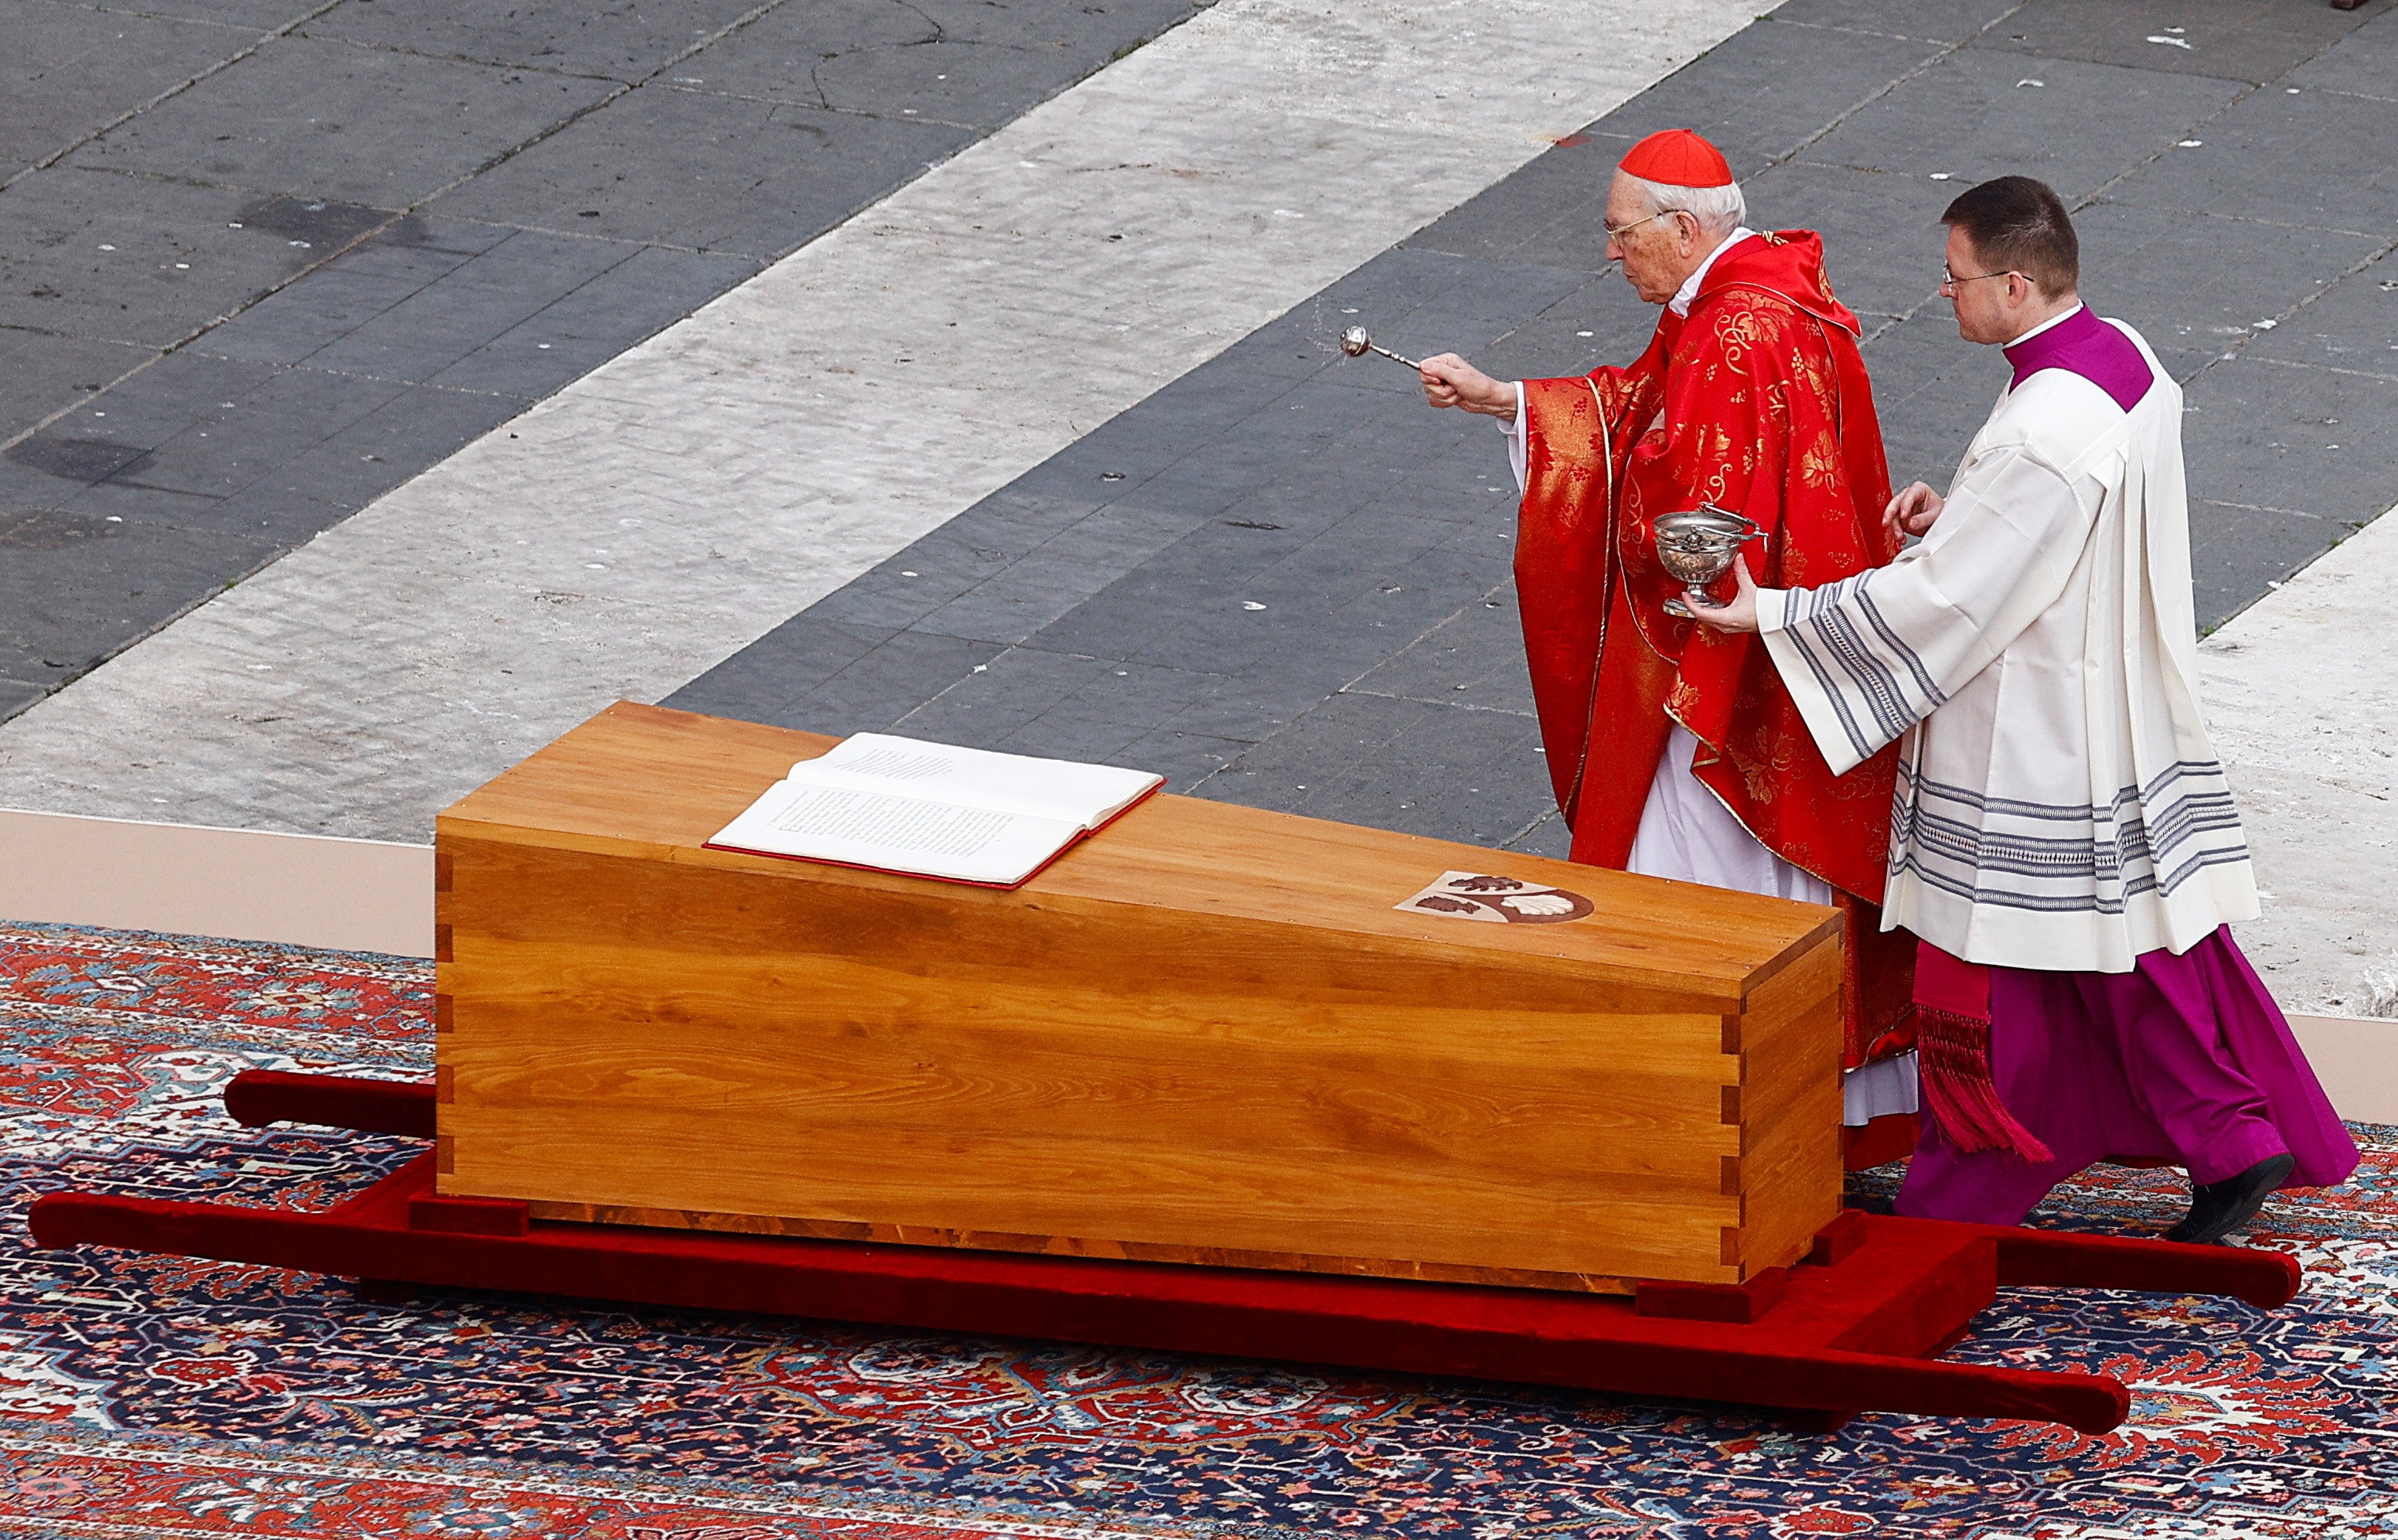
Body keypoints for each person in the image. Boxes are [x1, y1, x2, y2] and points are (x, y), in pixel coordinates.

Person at [1693, 175, 2359, 1241]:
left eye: (1953, 280)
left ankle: (1974, 1187)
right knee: (2130, 948)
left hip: (2030, 728)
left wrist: (1769, 612)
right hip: (2104, 694)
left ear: (2013, 282)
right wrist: (1959, 516)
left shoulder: (2039, 427)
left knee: (1997, 968)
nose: (1942, 297)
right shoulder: (2120, 357)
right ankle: (2232, 1142)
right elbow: (2044, 529)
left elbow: (1944, 599)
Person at [1417, 128, 1918, 1137]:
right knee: (1778, 874)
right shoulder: (1760, 294)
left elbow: (1692, 513)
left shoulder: (1734, 332)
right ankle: (1811, 1107)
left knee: (1700, 882)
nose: (1611, 254)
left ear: (1682, 227)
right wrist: (1507, 400)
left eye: (1619, 233)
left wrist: (1632, 521)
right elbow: (1642, 403)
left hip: (1720, 671)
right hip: (1792, 643)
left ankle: (1713, 1110)